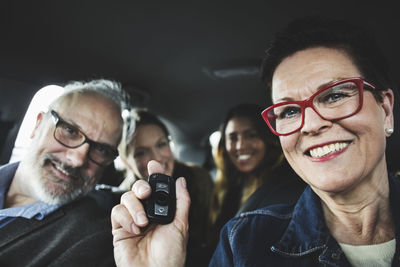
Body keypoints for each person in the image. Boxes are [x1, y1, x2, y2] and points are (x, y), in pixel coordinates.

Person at [111, 16, 398, 266]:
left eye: (334, 96)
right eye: (289, 111)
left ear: (385, 111)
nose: (310, 124)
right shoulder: (244, 243)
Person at [0, 79, 128, 266]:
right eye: (70, 130)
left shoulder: (96, 238)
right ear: (37, 126)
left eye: (101, 150)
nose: (77, 160)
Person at [117, 108, 214, 266]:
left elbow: (212, 232)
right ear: (127, 161)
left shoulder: (199, 177)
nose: (156, 157)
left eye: (161, 144)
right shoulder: (122, 202)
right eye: (141, 152)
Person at [208, 103, 305, 249]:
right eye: (233, 138)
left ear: (267, 139)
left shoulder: (285, 188)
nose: (240, 146)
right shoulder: (230, 188)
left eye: (251, 135)